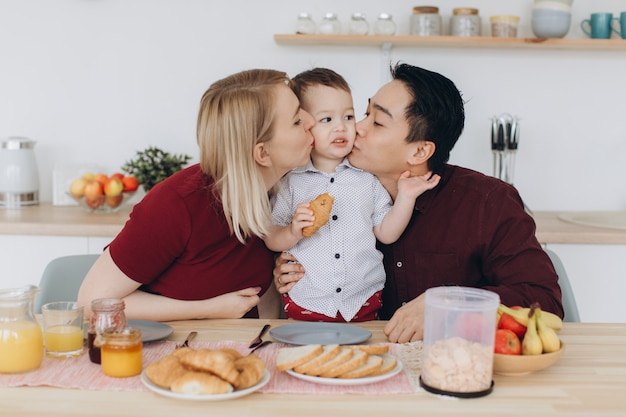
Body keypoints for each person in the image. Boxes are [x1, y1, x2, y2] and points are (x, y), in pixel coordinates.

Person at [274, 63, 564, 342]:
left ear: (420, 151)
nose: (355, 128)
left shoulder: (488, 203)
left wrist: (450, 303)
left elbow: (544, 301)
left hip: (451, 368)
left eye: (376, 121)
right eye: (363, 113)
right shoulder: (312, 186)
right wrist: (289, 268)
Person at [77, 69, 315, 321]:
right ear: (263, 154)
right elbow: (91, 303)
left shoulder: (288, 189)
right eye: (297, 120)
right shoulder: (175, 205)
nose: (311, 120)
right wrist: (208, 309)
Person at [264, 68, 440, 322]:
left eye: (348, 116)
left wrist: (406, 197)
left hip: (362, 302)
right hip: (308, 300)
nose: (343, 128)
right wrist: (292, 231)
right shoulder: (291, 183)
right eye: (327, 120)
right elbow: (271, 236)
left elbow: (386, 233)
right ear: (305, 126)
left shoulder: (367, 179)